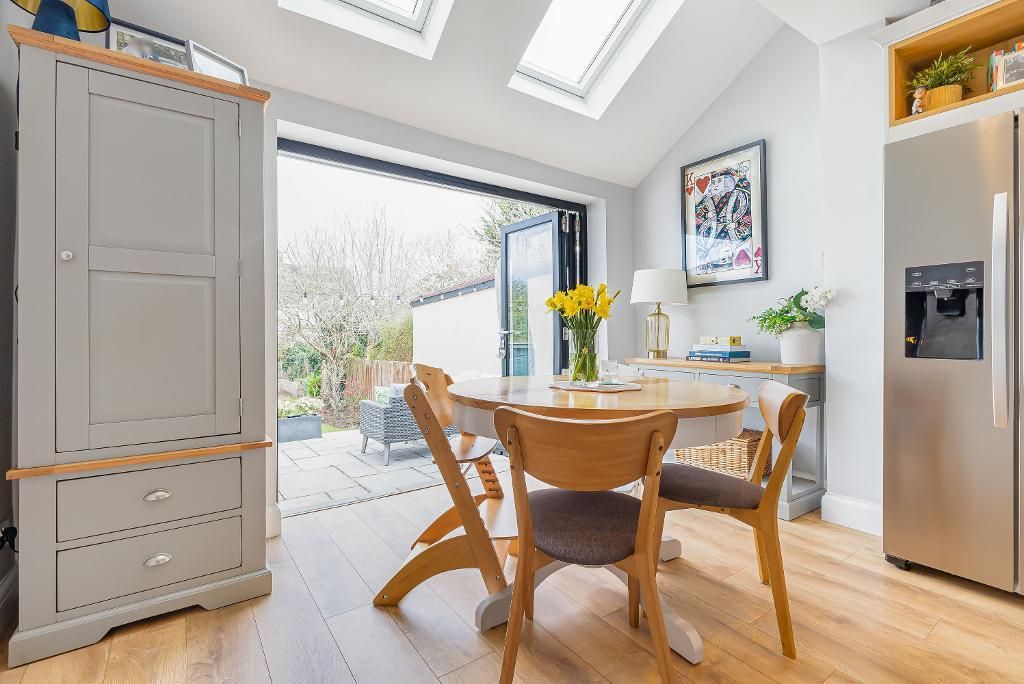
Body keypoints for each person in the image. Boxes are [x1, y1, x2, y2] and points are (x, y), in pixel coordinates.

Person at [694, 169, 752, 273]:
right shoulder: (706, 200)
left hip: (730, 235)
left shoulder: (738, 195)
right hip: (712, 238)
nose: (715, 185)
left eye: (719, 181)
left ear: (726, 182)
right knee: (714, 256)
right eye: (713, 182)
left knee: (729, 254)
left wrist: (736, 224)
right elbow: (697, 219)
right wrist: (707, 215)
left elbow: (747, 216)